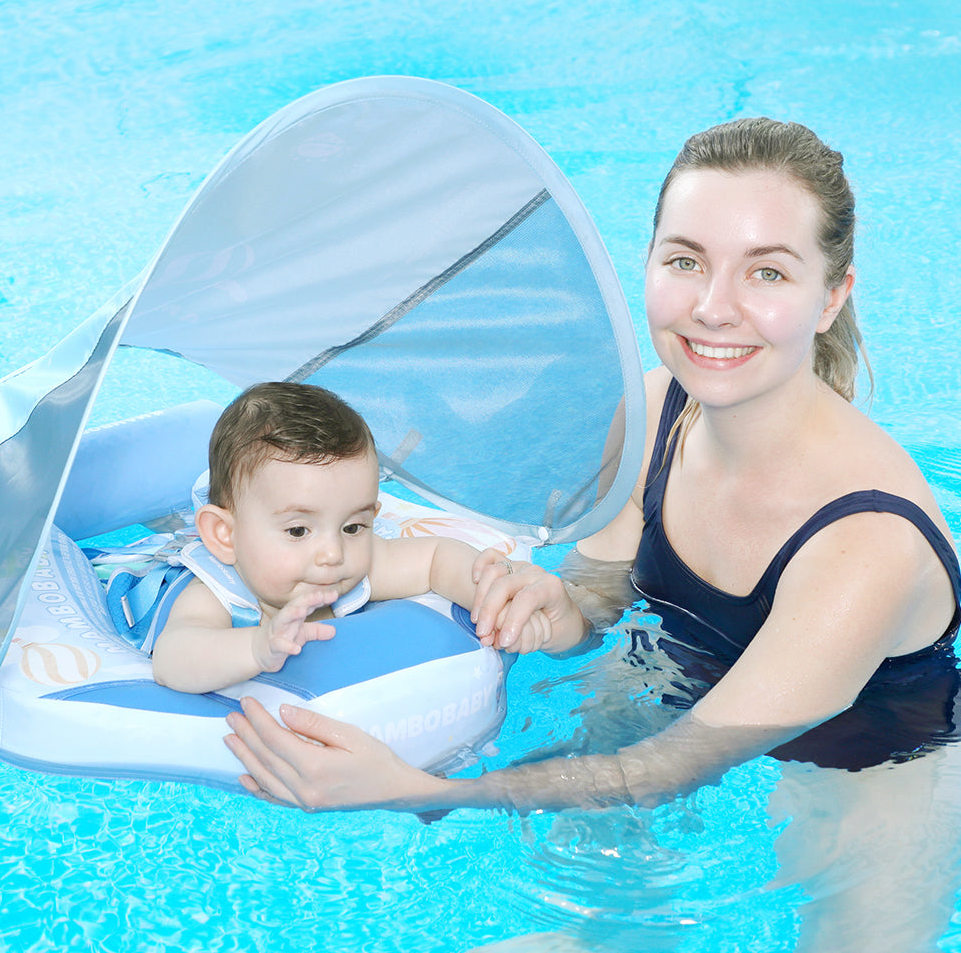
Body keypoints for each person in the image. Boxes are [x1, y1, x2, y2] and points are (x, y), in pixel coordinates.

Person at [223, 118, 961, 817]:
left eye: (766, 273)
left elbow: (668, 769)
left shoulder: (866, 545)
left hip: (869, 756)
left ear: (831, 297)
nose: (713, 308)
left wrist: (414, 790)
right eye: (686, 261)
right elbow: (601, 598)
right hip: (674, 678)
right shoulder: (656, 410)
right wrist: (561, 611)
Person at [151, 381, 552, 693]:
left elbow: (435, 559)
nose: (332, 553)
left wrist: (494, 600)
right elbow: (173, 659)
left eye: (352, 527)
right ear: (225, 536)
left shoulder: (356, 566)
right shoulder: (216, 593)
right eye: (298, 530)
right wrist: (257, 647)